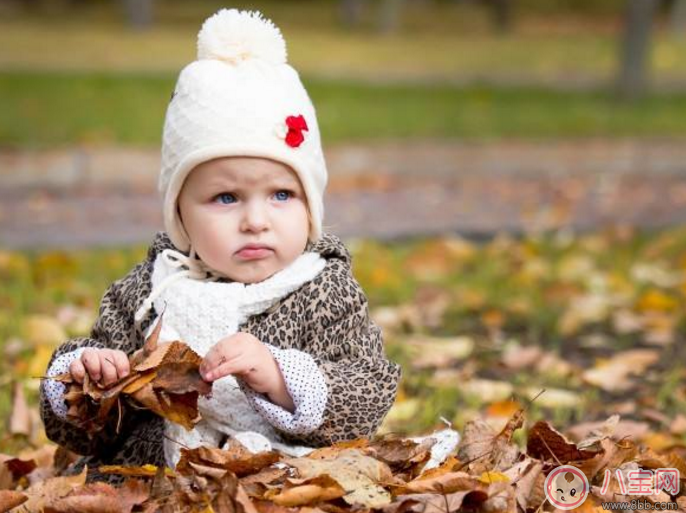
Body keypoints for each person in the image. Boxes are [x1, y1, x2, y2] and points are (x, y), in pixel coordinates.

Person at [39, 8, 403, 485]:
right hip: (154, 479)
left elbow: (367, 392)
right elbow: (88, 437)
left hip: (282, 476)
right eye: (226, 198)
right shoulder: (151, 292)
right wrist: (88, 382)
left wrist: (280, 377)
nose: (256, 221)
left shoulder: (323, 290)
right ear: (181, 216)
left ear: (311, 207)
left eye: (281, 195)